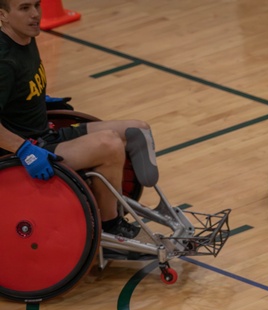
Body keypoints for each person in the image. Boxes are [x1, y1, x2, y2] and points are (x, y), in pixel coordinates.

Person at [0, 0, 159, 238]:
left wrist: (38, 99)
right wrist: (24, 150)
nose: (35, 14)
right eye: (24, 8)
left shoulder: (25, 36)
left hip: (45, 133)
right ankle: (109, 226)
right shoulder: (4, 61)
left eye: (36, 5)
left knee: (137, 129)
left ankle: (116, 203)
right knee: (109, 144)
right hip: (26, 152)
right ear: (2, 15)